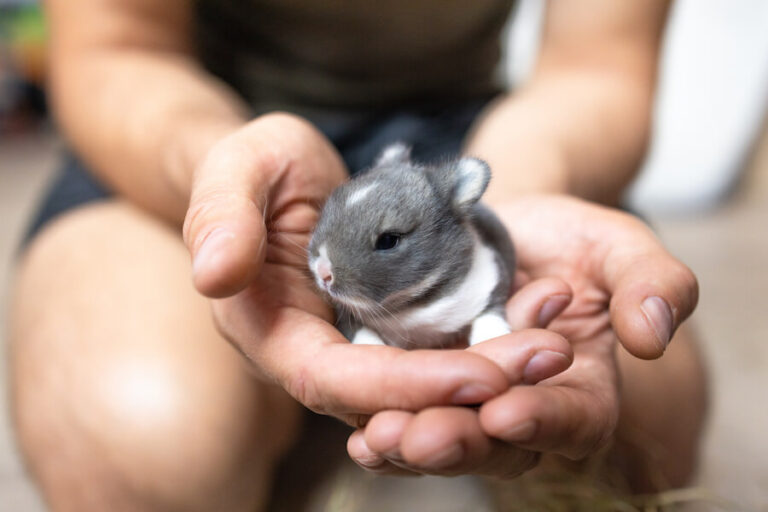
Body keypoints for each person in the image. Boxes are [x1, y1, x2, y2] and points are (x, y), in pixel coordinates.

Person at [9, 0, 706, 510]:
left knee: (647, 420)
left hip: (468, 130)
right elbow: (118, 51)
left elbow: (599, 66)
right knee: (142, 436)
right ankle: (293, 448)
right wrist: (222, 174)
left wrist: (516, 179)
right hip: (191, 115)